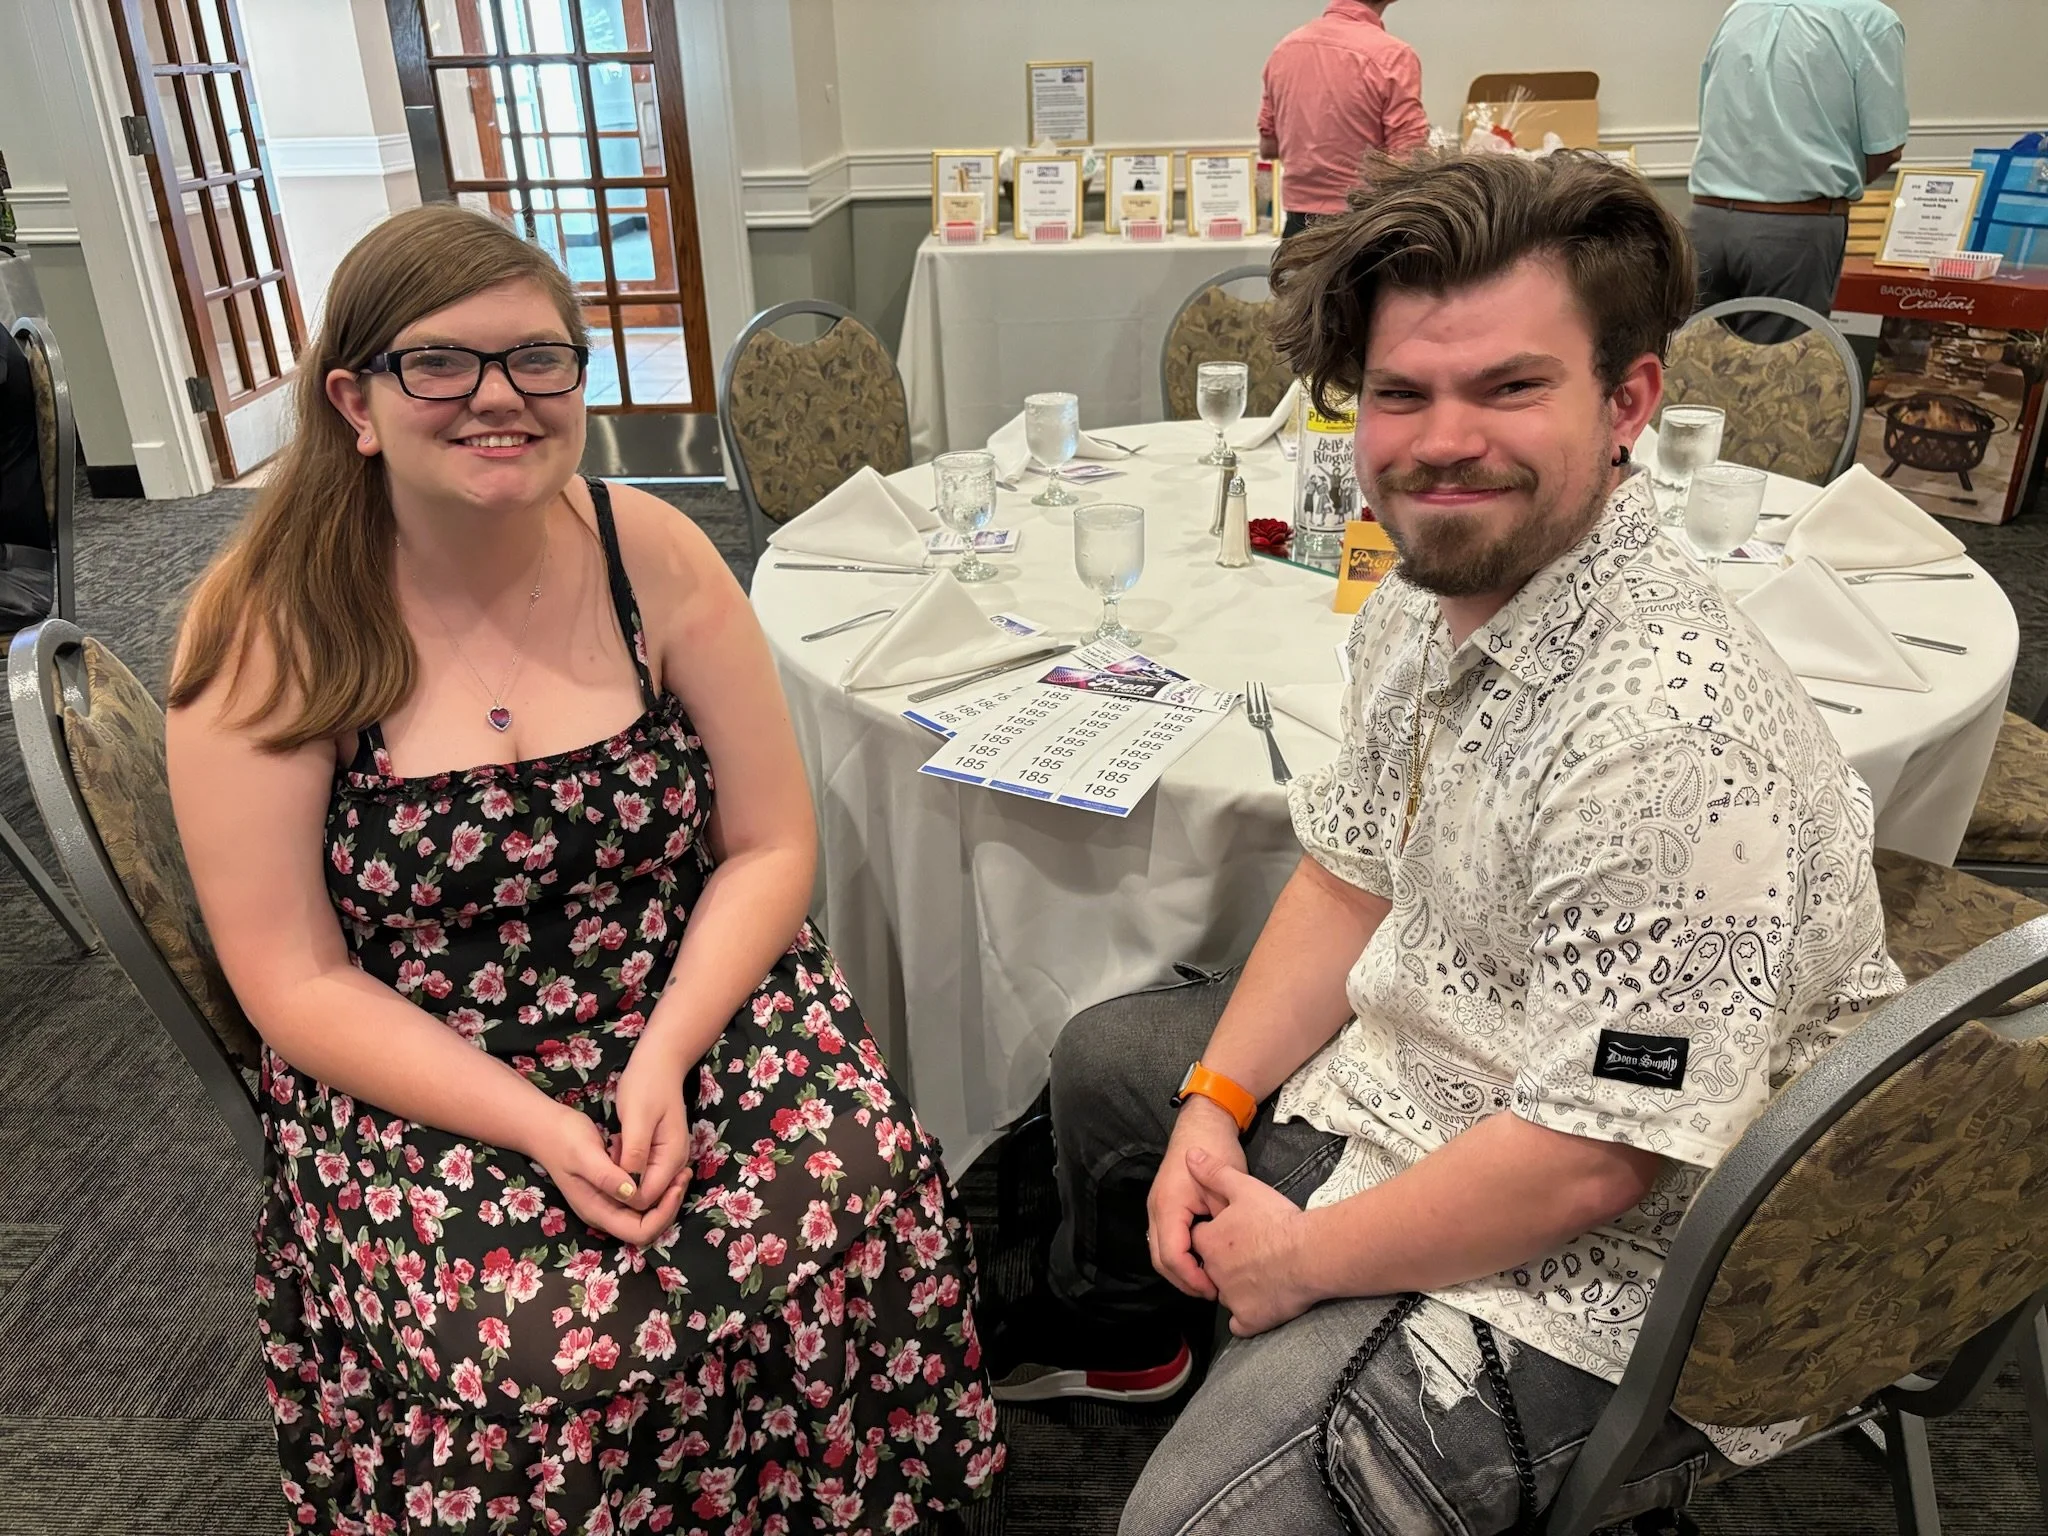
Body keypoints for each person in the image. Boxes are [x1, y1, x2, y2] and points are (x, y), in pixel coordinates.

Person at [987, 150, 1903, 1535]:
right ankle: (1150, 1338)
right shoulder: (1436, 591)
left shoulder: (1668, 739)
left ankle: (1277, 1353)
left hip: (1602, 1255)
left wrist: (1301, 1262)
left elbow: (1601, 1154)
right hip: (1432, 1077)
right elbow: (1349, 872)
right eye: (1403, 393)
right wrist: (1215, 1102)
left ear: (1629, 403)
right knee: (1113, 1070)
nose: (1442, 440)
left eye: (1511, 387)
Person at [166, 203, 1003, 1535]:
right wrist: (541, 1124)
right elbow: (295, 977)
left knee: (860, 1173)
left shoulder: (648, 553)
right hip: (425, 1052)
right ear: (356, 401)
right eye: (441, 362)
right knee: (545, 1329)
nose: (499, 397)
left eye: (538, 359)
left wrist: (664, 1055)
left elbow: (770, 845)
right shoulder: (275, 624)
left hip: (679, 993)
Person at [1690, 0, 1909, 332]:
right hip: (1796, 227)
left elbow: (1708, 118)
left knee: (1693, 370)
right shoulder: (1871, 20)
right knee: (1780, 375)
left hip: (1706, 220)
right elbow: (1886, 147)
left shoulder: (1740, 10)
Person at [1259, 0, 1431, 238]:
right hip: (1364, 227)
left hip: (1298, 230)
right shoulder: (1393, 56)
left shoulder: (1284, 50)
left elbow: (1269, 147)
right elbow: (1410, 161)